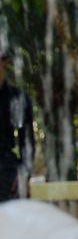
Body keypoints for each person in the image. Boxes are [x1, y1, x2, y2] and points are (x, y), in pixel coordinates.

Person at [0, 49, 34, 202]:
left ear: (4, 63)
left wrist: (25, 174)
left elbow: (26, 141)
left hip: (7, 170)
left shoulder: (17, 98)